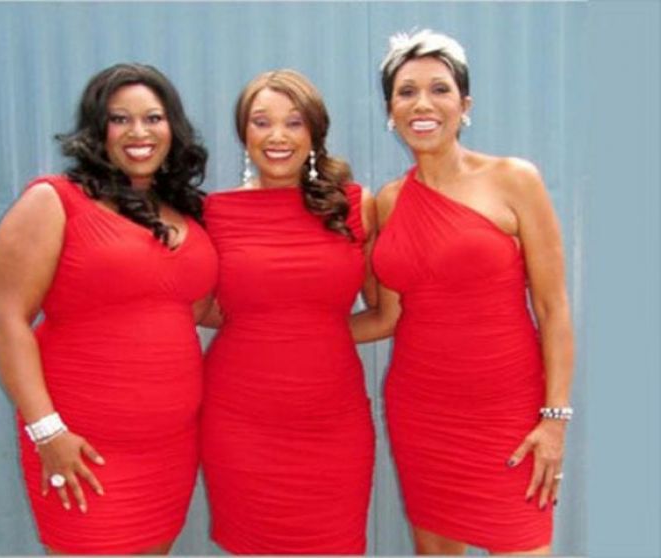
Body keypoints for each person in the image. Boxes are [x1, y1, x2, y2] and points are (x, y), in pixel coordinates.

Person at [354, 30, 575, 555]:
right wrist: (289, 333)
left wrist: (555, 420)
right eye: (407, 92)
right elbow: (387, 316)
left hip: (507, 411)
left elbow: (553, 309)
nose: (422, 104)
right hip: (421, 410)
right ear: (390, 110)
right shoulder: (388, 201)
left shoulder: (514, 180)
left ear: (464, 105)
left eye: (439, 89)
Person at [0, 63, 218, 555]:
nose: (138, 132)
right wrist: (47, 432)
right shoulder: (54, 200)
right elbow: (6, 318)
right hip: (81, 448)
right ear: (98, 128)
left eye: (153, 118)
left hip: (171, 447)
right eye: (120, 119)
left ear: (173, 127)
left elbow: (192, 309)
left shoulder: (181, 212)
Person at [199, 69, 376, 554]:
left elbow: (385, 314)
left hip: (333, 423)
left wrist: (311, 334)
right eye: (261, 122)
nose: (277, 136)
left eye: (294, 122)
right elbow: (198, 307)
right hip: (240, 421)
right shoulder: (215, 212)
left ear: (314, 132)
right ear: (244, 132)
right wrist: (265, 327)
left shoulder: (353, 205)